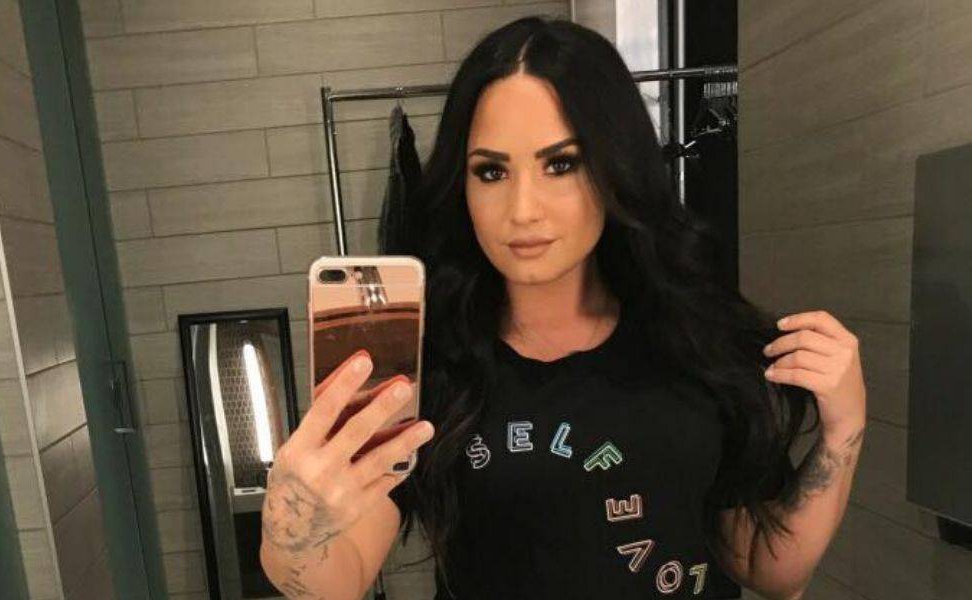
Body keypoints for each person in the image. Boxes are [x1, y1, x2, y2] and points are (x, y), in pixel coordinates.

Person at [260, 16, 868, 600]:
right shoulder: (432, 363)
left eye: (560, 164)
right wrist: (291, 523)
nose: (523, 209)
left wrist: (845, 428)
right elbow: (340, 578)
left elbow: (768, 568)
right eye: (491, 171)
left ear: (613, 166)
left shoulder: (695, 338)